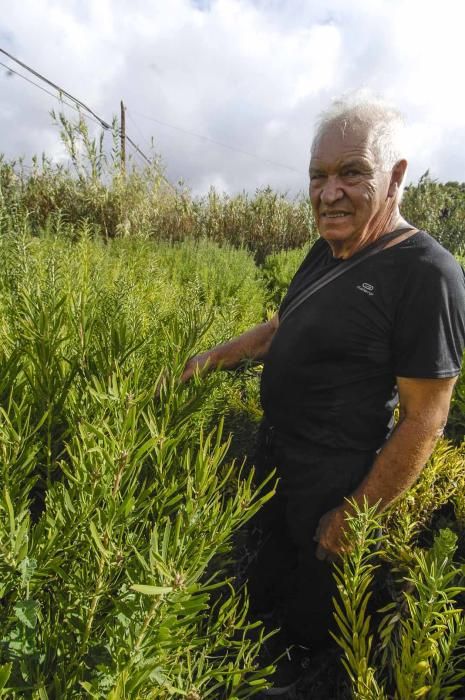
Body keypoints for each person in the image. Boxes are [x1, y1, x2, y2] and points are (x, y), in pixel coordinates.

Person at [181, 92, 465, 695]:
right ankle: (254, 661)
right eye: (318, 175)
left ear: (395, 177)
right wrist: (211, 359)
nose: (329, 191)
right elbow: (285, 325)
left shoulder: (426, 273)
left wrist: (354, 513)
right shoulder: (327, 247)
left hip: (336, 474)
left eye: (351, 172)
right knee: (266, 576)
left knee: (314, 615)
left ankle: (301, 679)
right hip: (277, 450)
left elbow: (425, 419)